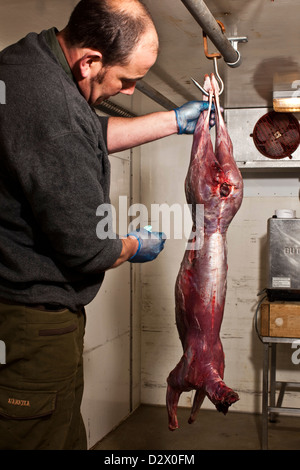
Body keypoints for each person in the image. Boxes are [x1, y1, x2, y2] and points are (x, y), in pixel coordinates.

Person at [0, 0, 213, 450]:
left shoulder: (32, 62)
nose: (132, 91)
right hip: (30, 321)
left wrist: (170, 121)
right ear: (90, 61)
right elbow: (85, 248)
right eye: (127, 80)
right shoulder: (48, 107)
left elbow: (85, 133)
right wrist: (135, 245)